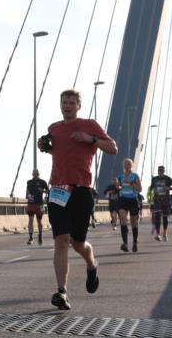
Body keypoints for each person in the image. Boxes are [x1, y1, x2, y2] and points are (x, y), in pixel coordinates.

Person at [37, 89, 117, 310]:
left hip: (81, 191)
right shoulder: (54, 128)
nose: (67, 105)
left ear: (78, 106)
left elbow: (113, 148)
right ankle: (62, 291)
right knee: (61, 240)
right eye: (64, 102)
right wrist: (44, 147)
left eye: (71, 102)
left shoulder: (89, 125)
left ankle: (91, 265)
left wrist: (91, 139)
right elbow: (57, 151)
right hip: (57, 190)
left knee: (78, 243)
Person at [116, 159, 142, 253]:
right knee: (123, 220)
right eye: (125, 164)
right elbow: (118, 187)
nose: (127, 165)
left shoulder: (135, 176)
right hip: (123, 200)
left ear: (131, 165)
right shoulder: (120, 176)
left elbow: (140, 189)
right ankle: (125, 244)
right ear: (123, 165)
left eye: (128, 164)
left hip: (133, 200)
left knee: (133, 223)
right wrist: (119, 186)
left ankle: (134, 242)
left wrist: (131, 184)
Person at [150, 165, 172, 242]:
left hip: (166, 200)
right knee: (158, 216)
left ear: (164, 171)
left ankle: (165, 233)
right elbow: (151, 188)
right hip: (157, 200)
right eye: (159, 171)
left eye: (162, 171)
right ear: (158, 171)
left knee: (165, 217)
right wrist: (150, 196)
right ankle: (158, 234)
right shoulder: (154, 179)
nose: (160, 172)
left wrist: (169, 188)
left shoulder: (168, 178)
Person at [25, 169, 49, 245]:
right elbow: (27, 190)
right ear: (32, 174)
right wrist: (26, 195)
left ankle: (40, 235)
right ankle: (31, 238)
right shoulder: (29, 182)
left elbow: (48, 191)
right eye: (34, 174)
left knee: (39, 221)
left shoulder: (43, 182)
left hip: (40, 204)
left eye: (37, 174)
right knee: (30, 220)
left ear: (39, 174)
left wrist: (42, 190)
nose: (35, 176)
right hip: (31, 203)